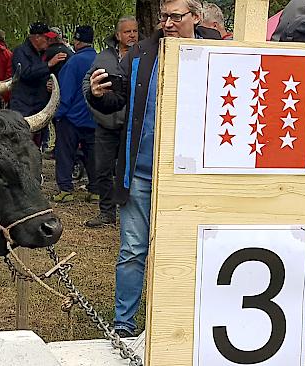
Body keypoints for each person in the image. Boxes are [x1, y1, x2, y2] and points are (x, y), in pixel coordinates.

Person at [84, 0, 221, 338]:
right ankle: (123, 323)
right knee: (132, 249)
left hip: (192, 177)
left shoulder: (219, 52)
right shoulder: (143, 52)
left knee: (192, 249)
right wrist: (99, 94)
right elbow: (118, 98)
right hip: (142, 171)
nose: (168, 23)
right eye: (164, 16)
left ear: (196, 17)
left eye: (176, 16)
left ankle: (185, 323)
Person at [82, 16, 139, 227]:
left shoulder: (141, 55)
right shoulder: (102, 57)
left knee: (129, 172)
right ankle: (106, 213)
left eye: (134, 31)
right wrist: (94, 107)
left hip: (131, 126)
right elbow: (88, 83)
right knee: (103, 170)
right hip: (105, 124)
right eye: (127, 32)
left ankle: (131, 215)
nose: (132, 35)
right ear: (118, 35)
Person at [52, 25, 98, 203]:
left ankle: (65, 190)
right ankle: (96, 191)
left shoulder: (73, 62)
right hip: (93, 118)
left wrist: (58, 115)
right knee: (93, 155)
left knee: (64, 153)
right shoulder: (100, 59)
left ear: (77, 41)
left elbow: (66, 92)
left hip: (71, 118)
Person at [11, 22, 67, 148]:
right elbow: (25, 73)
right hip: (24, 106)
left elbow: (39, 75)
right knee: (22, 144)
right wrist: (48, 65)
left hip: (38, 106)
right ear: (37, 37)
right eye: (46, 38)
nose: (49, 41)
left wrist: (48, 83)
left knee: (36, 144)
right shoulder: (20, 52)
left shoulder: (41, 53)